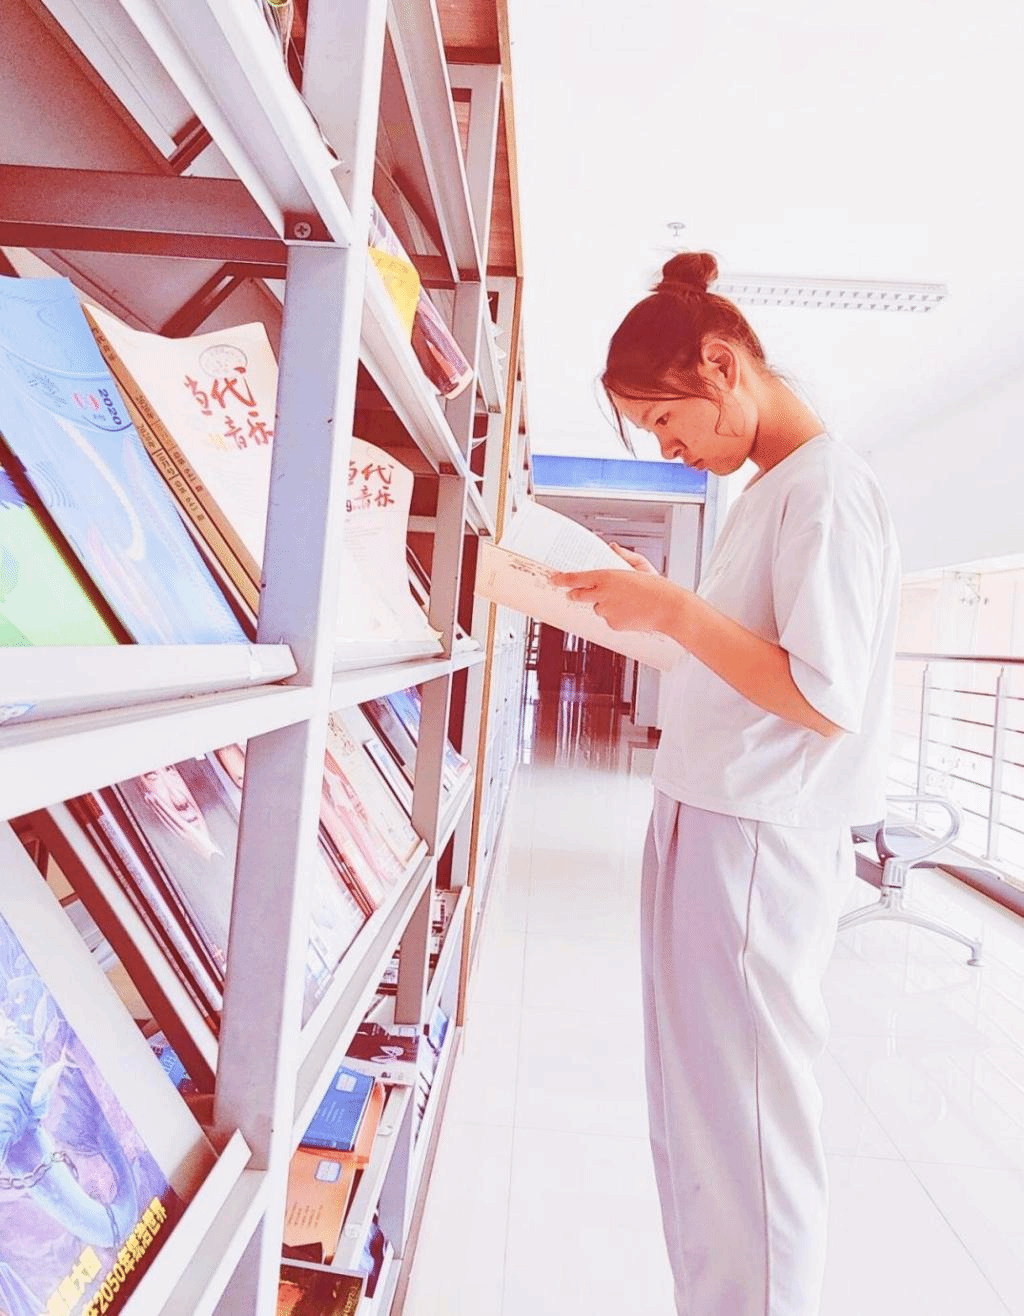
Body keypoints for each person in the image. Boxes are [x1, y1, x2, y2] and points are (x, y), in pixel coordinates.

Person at [553, 251, 901, 1316]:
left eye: (666, 421)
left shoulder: (827, 491)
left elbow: (824, 695)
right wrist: (660, 606)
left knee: (746, 1122)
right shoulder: (769, 490)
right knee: (697, 1107)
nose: (669, 448)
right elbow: (738, 657)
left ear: (721, 367)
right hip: (706, 811)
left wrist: (677, 612)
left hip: (756, 830)